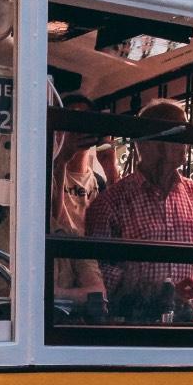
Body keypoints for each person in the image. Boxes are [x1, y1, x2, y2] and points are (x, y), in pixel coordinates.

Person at [85, 98, 193, 322]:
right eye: (178, 135)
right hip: (134, 322)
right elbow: (97, 269)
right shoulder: (111, 201)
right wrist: (146, 290)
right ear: (146, 143)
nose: (185, 144)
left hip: (187, 321)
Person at [49, 92, 109, 310]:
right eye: (71, 121)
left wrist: (109, 162)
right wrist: (62, 158)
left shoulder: (99, 182)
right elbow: (54, 221)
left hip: (90, 266)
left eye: (84, 121)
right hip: (61, 262)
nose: (78, 129)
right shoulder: (49, 173)